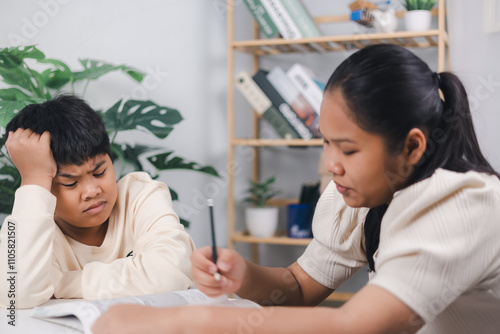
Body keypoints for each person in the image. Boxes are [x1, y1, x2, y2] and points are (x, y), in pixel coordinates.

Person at [92, 44, 500, 334]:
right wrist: (244, 275)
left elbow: (357, 327)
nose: (330, 164)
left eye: (349, 149)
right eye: (325, 141)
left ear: (411, 147)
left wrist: (184, 322)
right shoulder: (368, 192)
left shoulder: (462, 205)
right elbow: (301, 287)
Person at [0, 95, 195, 309]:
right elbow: (15, 295)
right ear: (45, 188)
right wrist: (34, 179)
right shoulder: (36, 228)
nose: (92, 191)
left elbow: (169, 273)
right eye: (71, 183)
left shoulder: (140, 196)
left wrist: (61, 284)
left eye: (99, 172)